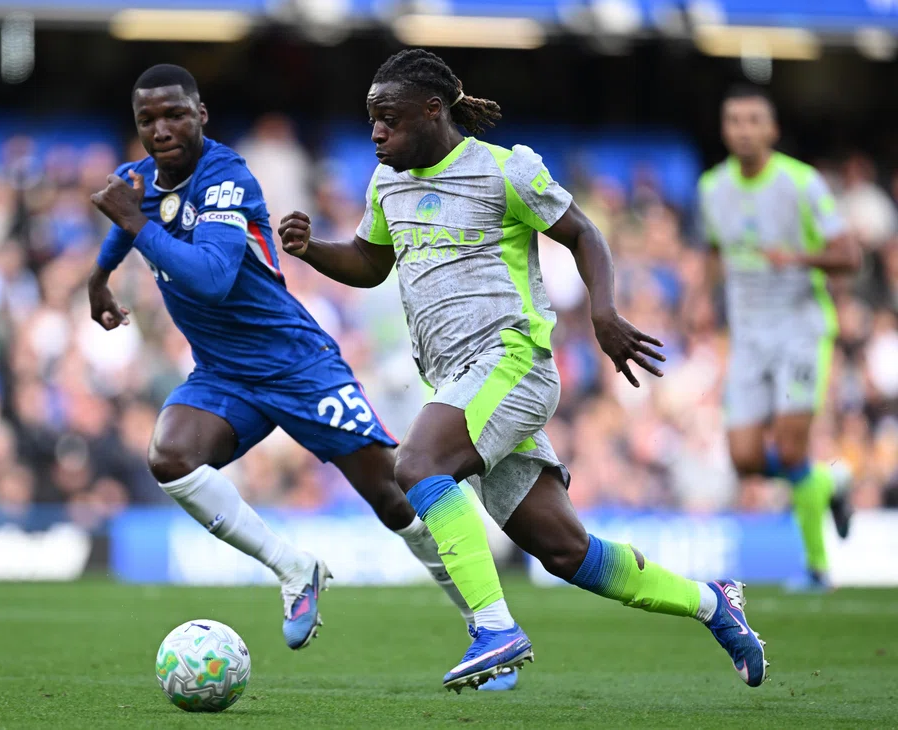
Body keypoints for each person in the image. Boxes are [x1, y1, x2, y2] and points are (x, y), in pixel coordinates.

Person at [279, 49, 768, 692]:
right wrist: (311, 249)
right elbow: (372, 264)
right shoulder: (386, 184)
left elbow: (584, 234)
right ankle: (714, 604)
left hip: (513, 362)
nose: (375, 133)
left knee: (418, 466)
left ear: (433, 110)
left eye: (388, 119)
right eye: (371, 120)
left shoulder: (503, 170)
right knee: (568, 552)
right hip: (460, 384)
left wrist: (604, 313)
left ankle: (494, 628)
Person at [88, 63, 482, 663]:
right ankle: (293, 568)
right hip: (225, 374)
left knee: (393, 498)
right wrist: (99, 278)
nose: (162, 129)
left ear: (201, 116)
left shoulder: (226, 177)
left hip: (298, 364)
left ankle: (485, 621)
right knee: (171, 455)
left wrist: (133, 223)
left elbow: (214, 278)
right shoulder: (138, 180)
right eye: (148, 119)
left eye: (174, 114)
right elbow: (128, 219)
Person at [698, 86, 861, 592]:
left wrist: (798, 259)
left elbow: (849, 255)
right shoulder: (711, 187)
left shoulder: (801, 182)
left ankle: (816, 569)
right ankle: (831, 481)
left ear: (771, 130)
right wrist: (704, 297)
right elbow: (713, 248)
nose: (743, 129)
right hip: (748, 335)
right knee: (744, 458)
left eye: (753, 120)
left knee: (791, 453)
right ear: (724, 130)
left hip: (799, 329)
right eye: (734, 120)